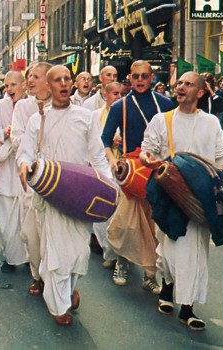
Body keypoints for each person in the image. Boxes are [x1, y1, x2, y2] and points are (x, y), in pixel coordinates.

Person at [140, 71, 223, 331]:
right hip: (169, 195)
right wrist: (147, 159)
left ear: (201, 92)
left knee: (195, 251)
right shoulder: (162, 120)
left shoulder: (211, 123)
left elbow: (220, 158)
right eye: (179, 83)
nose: (181, 87)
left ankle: (188, 307)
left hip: (202, 199)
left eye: (188, 84)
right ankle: (168, 285)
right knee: (170, 247)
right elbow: (145, 150)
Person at [17, 65, 111, 326]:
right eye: (57, 80)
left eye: (66, 78)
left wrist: (109, 185)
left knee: (79, 250)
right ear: (48, 87)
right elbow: (25, 152)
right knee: (55, 250)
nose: (63, 83)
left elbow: (97, 155)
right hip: (50, 193)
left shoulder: (86, 117)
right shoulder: (38, 120)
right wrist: (24, 165)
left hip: (80, 195)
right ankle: (59, 305)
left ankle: (69, 289)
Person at [101, 60, 174, 292]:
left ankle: (150, 274)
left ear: (151, 77)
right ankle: (122, 263)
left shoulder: (165, 104)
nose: (140, 80)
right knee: (128, 224)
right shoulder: (120, 106)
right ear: (129, 79)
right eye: (136, 76)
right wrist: (113, 161)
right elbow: (105, 139)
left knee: (154, 225)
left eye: (144, 76)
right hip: (131, 171)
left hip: (158, 170)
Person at [10, 62, 52, 295]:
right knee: (31, 233)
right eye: (28, 76)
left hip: (59, 180)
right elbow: (16, 138)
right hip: (33, 180)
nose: (30, 81)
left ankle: (58, 281)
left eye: (35, 76)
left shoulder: (67, 106)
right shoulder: (23, 108)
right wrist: (32, 149)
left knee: (56, 233)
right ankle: (37, 275)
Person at [0, 71, 28, 272]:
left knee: (26, 217)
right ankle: (11, 256)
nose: (9, 89)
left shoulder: (32, 105)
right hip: (7, 166)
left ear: (24, 85)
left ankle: (31, 258)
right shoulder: (1, 105)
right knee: (6, 221)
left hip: (26, 166)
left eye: (14, 84)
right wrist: (3, 133)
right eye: (7, 86)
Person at [90, 82, 123, 269]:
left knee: (121, 217)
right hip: (101, 170)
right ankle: (108, 252)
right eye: (115, 94)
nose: (118, 97)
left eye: (121, 94)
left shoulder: (127, 113)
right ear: (105, 95)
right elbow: (94, 143)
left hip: (123, 170)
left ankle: (121, 257)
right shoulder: (95, 116)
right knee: (101, 215)